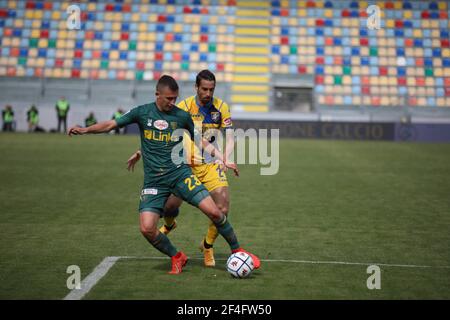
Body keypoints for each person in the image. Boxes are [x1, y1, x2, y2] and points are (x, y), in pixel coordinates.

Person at [68, 75, 260, 274]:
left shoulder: (181, 116)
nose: (172, 102)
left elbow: (201, 141)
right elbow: (110, 125)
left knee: (215, 212)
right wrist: (84, 130)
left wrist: (223, 157)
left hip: (180, 175)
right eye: (168, 98)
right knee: (147, 228)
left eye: (175, 98)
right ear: (157, 94)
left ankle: (238, 250)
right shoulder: (142, 113)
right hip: (154, 182)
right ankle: (177, 257)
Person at [126, 70, 236, 268]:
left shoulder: (221, 108)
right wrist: (140, 152)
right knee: (169, 207)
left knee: (222, 207)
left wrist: (225, 159)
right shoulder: (183, 107)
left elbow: (231, 136)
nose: (208, 93)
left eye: (212, 89)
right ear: (196, 88)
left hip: (211, 164)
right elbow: (162, 134)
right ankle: (169, 224)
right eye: (204, 89)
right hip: (183, 166)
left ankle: (207, 245)